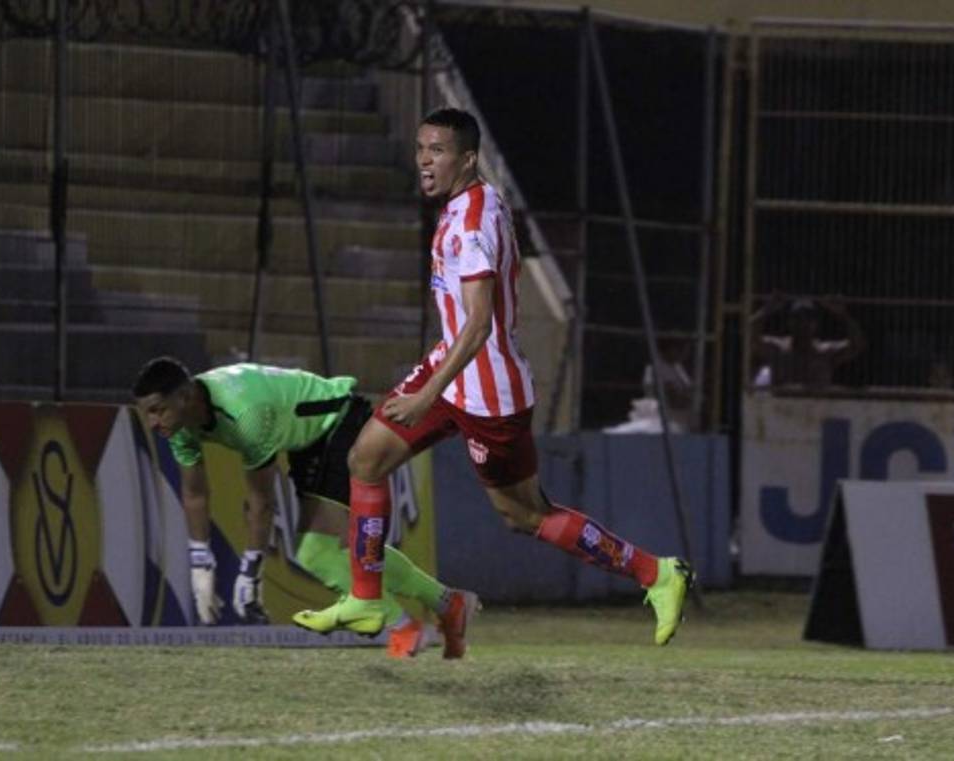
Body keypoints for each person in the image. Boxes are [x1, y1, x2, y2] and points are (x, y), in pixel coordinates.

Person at [293, 108, 694, 647]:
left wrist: (424, 397)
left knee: (525, 516)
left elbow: (479, 324)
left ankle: (657, 574)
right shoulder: (466, 204)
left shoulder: (474, 221)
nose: (424, 161)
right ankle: (366, 600)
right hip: (451, 368)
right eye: (420, 148)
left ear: (467, 157)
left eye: (437, 151)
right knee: (366, 459)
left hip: (489, 393)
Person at [132, 357, 475, 659]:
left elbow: (262, 502)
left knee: (320, 553)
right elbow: (194, 495)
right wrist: (200, 563)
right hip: (306, 440)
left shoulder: (244, 413)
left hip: (338, 421)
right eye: (147, 413)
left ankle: (405, 624)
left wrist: (250, 573)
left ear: (186, 396)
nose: (152, 423)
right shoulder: (177, 425)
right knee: (325, 552)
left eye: (157, 410)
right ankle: (447, 604)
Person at [750, 294, 866, 388]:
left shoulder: (824, 352)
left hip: (819, 410)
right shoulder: (777, 349)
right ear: (789, 322)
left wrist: (843, 314)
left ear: (815, 324)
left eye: (808, 318)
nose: (803, 323)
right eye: (798, 318)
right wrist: (765, 311)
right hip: (781, 409)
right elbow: (749, 338)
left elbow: (857, 345)